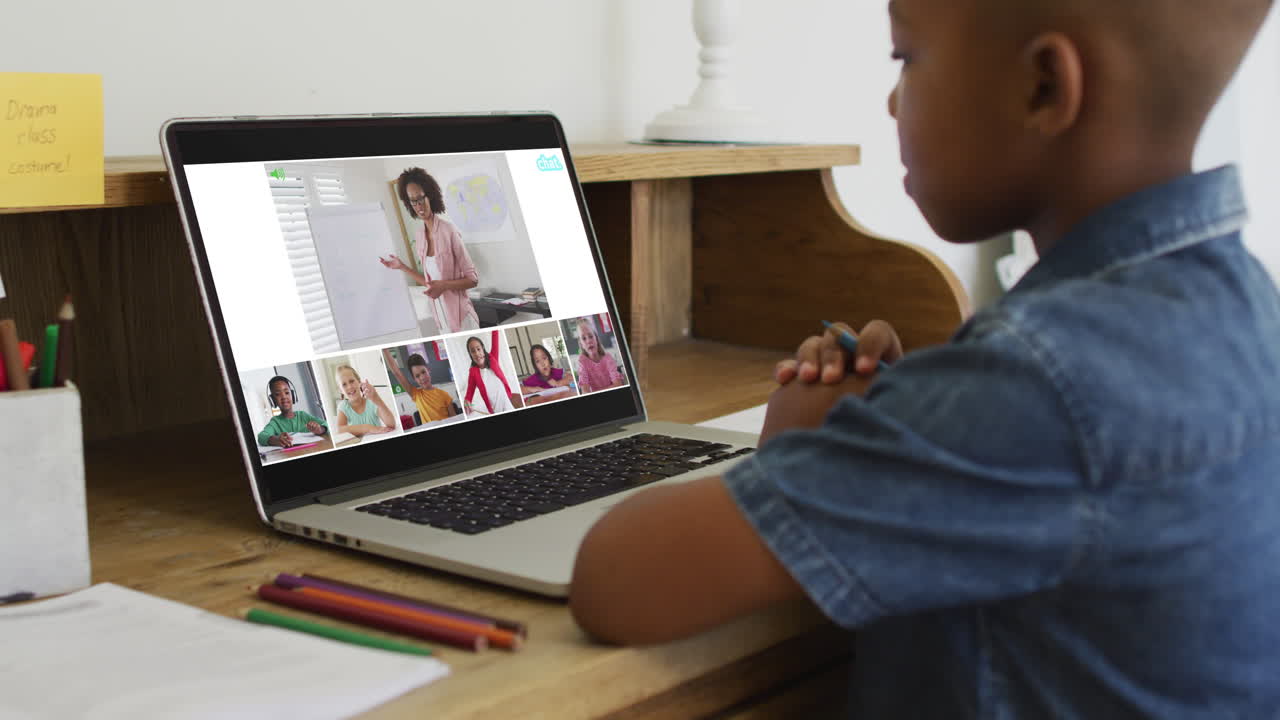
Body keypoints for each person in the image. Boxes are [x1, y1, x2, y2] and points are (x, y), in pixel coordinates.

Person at [569, 1, 1280, 717]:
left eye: (905, 59)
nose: (890, 101)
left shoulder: (1035, 383)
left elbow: (618, 580)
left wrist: (812, 445)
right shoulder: (1245, 307)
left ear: (1043, 86)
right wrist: (913, 415)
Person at [378, 167, 480, 334]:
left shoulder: (449, 231)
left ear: (430, 196)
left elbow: (473, 279)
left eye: (420, 198)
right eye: (413, 201)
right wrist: (401, 266)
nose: (418, 205)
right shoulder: (419, 236)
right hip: (441, 319)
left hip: (462, 318)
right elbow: (429, 283)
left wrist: (444, 285)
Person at [382, 348, 457, 426]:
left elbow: (454, 419)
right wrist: (385, 350)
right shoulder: (416, 394)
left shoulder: (444, 395)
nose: (422, 377)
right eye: (417, 376)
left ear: (428, 370)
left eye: (423, 372)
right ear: (414, 379)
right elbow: (397, 373)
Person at [257, 375, 328, 447]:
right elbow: (261, 436)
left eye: (287, 393)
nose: (284, 397)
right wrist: (276, 440)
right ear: (273, 400)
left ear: (293, 395)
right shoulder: (275, 422)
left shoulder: (303, 416)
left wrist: (320, 429)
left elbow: (326, 424)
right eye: (277, 394)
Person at [463, 330, 519, 415]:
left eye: (478, 349)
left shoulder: (493, 358)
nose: (477, 353)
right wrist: (467, 400)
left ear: (483, 348)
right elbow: (469, 391)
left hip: (506, 404)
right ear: (470, 354)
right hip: (494, 410)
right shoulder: (473, 372)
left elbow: (495, 336)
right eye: (473, 351)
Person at [332, 364, 395, 438]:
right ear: (340, 390)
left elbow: (391, 424)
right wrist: (367, 428)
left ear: (359, 382)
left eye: (352, 381)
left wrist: (376, 398)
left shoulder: (371, 401)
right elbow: (340, 430)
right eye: (344, 384)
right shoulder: (343, 406)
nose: (349, 387)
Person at [572, 316, 625, 394]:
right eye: (584, 338)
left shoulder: (608, 358)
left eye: (591, 336)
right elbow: (585, 391)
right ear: (581, 344)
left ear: (596, 338)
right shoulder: (582, 361)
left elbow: (618, 385)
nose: (588, 341)